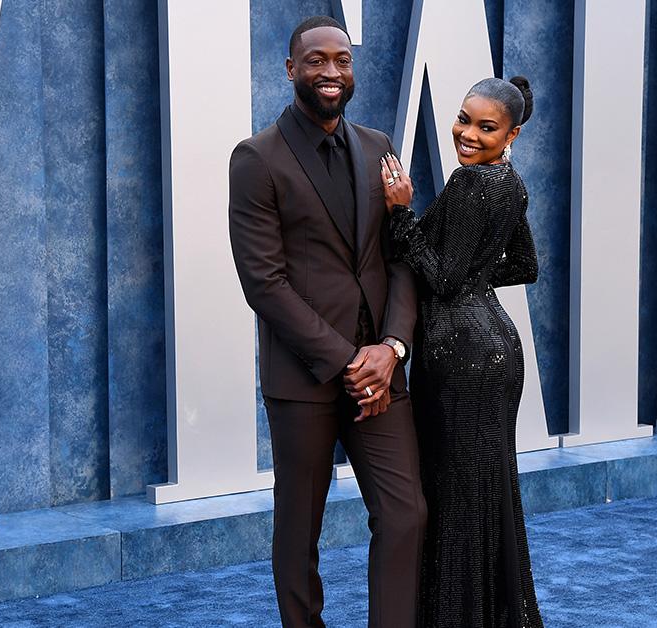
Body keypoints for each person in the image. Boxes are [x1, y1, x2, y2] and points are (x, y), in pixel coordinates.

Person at [228, 16, 427, 628]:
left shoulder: (378, 147)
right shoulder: (256, 158)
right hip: (306, 378)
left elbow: (401, 256)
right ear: (291, 70)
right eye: (316, 61)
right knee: (299, 532)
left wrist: (390, 349)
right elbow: (264, 282)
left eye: (341, 60)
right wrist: (348, 361)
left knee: (406, 514)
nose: (331, 72)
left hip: (380, 375)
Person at [380, 76, 545, 628]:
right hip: (495, 347)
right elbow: (523, 265)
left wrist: (402, 214)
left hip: (461, 358)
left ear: (512, 133)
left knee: (455, 499)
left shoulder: (470, 184)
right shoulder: (510, 184)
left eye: (486, 127)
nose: (467, 133)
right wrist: (474, 274)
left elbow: (443, 279)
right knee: (484, 489)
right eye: (463, 118)